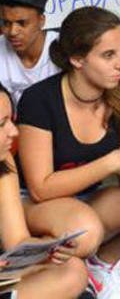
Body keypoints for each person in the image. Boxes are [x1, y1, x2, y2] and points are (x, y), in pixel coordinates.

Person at [16, 7, 120, 299]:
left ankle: (102, 264)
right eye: (109, 55)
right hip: (35, 204)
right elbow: (40, 187)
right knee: (84, 231)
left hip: (89, 201)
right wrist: (111, 162)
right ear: (77, 59)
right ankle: (48, 275)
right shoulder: (39, 100)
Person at [0, 83, 89, 299]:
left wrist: (51, 250)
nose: (14, 131)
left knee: (72, 269)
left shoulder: (4, 162)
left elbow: (17, 242)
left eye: (11, 120)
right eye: (2, 124)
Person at [0, 0, 58, 107]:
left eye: (22, 23)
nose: (13, 31)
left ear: (41, 21)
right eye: (6, 23)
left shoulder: (63, 49)